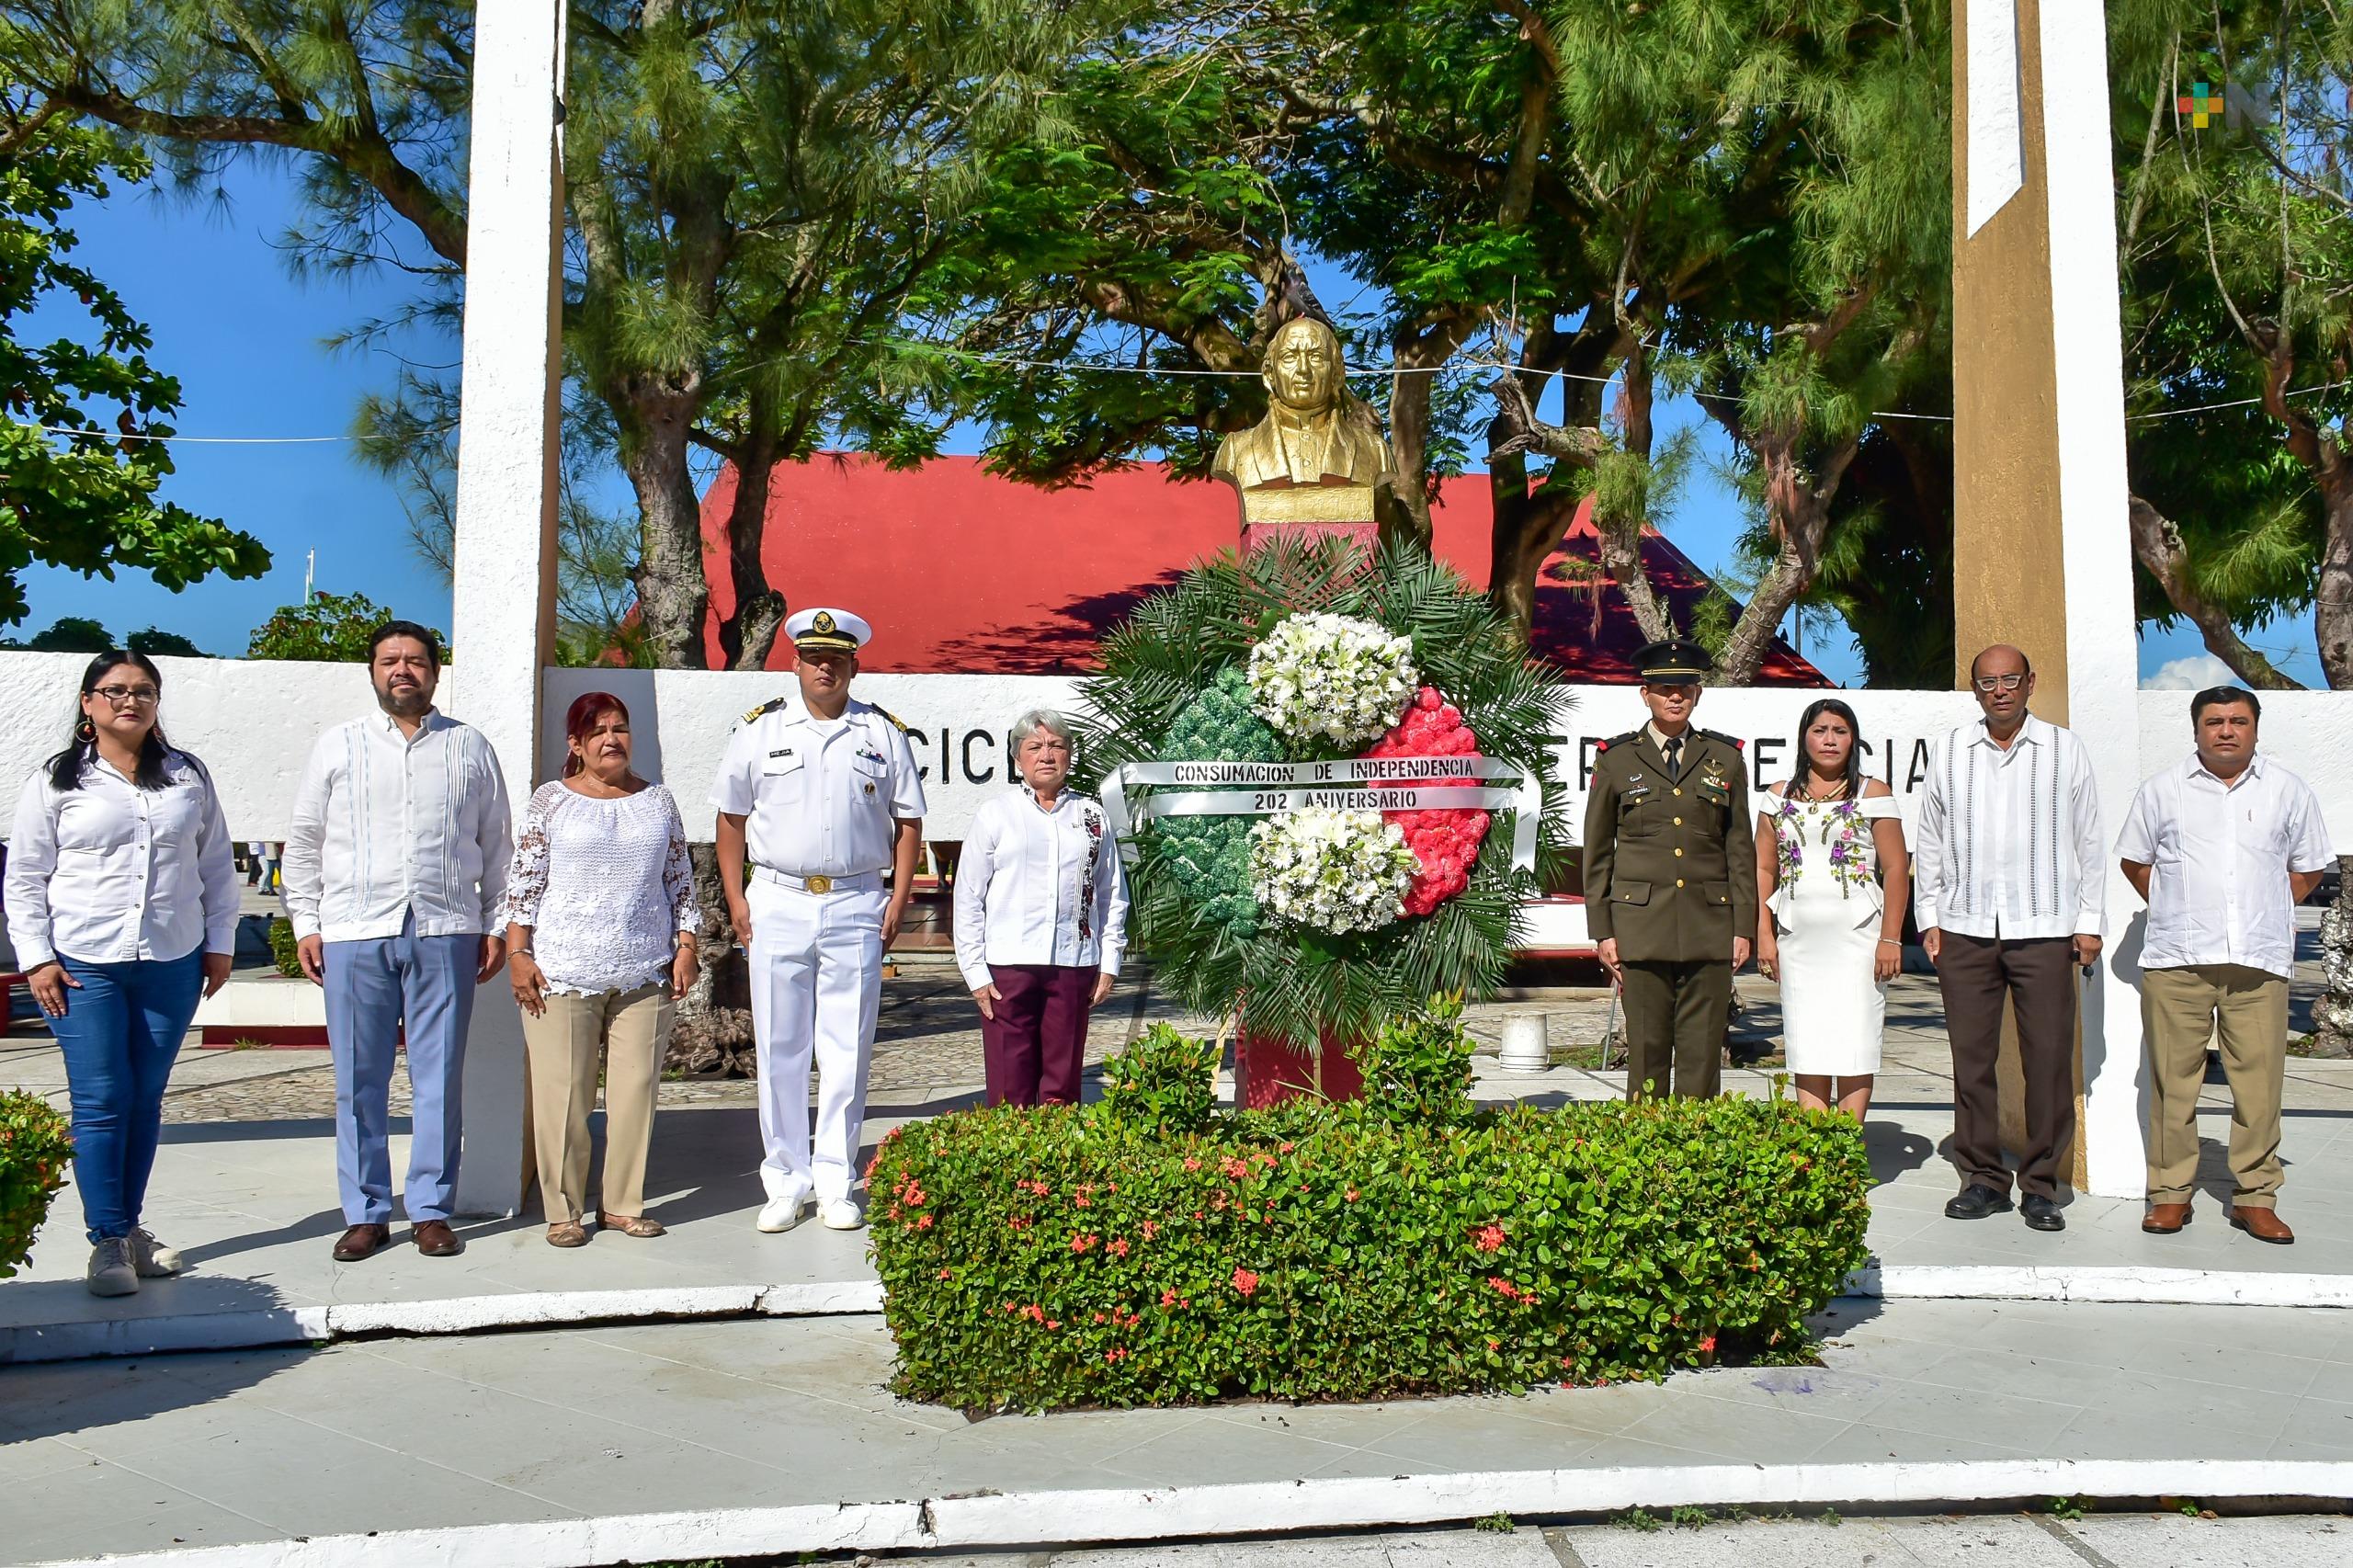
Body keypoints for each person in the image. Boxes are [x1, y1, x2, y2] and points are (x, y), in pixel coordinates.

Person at [6, 652, 236, 1296]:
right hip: (83, 965)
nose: (129, 701)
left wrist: (219, 945)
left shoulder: (187, 776)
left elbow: (215, 864)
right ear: (88, 704)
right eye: (114, 691)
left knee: (144, 1099)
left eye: (143, 691)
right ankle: (106, 1240)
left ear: (157, 703)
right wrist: (37, 957)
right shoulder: (57, 782)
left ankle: (129, 1226)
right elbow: (24, 877)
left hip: (171, 959)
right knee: (101, 1100)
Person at [283, 620, 512, 1263]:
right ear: (373, 671)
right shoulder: (338, 747)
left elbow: (497, 846)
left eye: (415, 660)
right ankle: (367, 1212)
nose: (402, 671)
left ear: (436, 673)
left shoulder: (470, 748)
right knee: (360, 1080)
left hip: (446, 930)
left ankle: (432, 1210)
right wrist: (307, 923)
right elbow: (302, 843)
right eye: (390, 661)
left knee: (439, 1078)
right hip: (356, 932)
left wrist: (494, 924)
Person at [711, 608, 926, 1233]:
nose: (824, 667)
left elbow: (909, 821)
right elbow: (730, 819)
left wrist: (900, 898)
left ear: (854, 664)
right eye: (813, 657)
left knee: (846, 1047)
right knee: (780, 1044)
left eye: (836, 658)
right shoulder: (760, 730)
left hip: (857, 899)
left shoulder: (881, 734)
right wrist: (737, 899)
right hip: (777, 897)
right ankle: (784, 1179)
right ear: (795, 664)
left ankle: (835, 1179)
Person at [2118, 686, 2332, 1244]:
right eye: (2214, 722)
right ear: (2196, 730)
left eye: (2238, 720)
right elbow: (2135, 862)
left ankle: (2256, 1197)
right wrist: (2179, 907)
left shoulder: (2288, 790)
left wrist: (2264, 909)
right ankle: (2169, 1195)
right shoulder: (2162, 791)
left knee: (2260, 1088)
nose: (2227, 731)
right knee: (2172, 1085)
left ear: (2256, 728)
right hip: (2178, 961)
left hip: (2258, 962)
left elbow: (2307, 869)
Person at [1913, 644, 2102, 1233]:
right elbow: (1932, 837)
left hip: (2043, 927)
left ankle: (2042, 1186)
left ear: (2030, 683)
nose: (2000, 690)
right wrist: (1929, 919)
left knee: (2047, 1061)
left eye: (2010, 679)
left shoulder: (2063, 749)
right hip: (1965, 928)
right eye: (1988, 682)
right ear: (1975, 690)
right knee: (1971, 1062)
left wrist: (2089, 921)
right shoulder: (1949, 750)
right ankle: (1983, 1179)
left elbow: (2089, 840)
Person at [504, 692, 699, 1248]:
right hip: (561, 970)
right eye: (598, 731)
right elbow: (524, 883)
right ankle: (563, 1212)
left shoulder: (658, 802)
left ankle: (621, 1205)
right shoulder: (551, 801)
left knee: (635, 1093)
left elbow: (679, 879)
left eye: (620, 728)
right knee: (563, 1096)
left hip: (644, 970)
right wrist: (519, 954)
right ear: (576, 744)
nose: (611, 739)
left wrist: (686, 945)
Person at [1581, 637, 1756, 1099]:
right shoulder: (1616, 759)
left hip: (1709, 927)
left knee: (1702, 1057)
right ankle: (1648, 1154)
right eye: (1663, 687)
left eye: (1684, 686)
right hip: (1640, 927)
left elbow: (1739, 850)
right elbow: (1598, 853)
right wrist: (1603, 931)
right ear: (1645, 693)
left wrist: (1744, 927)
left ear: (1698, 693)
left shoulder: (1726, 758)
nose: (1674, 696)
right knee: (1647, 1052)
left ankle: (1696, 1157)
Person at [954, 710, 1130, 1107]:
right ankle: (1008, 1162)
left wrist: (1109, 961)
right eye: (1035, 747)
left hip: (1072, 963)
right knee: (1008, 1085)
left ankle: (1057, 1162)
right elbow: (968, 897)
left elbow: (1111, 893)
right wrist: (974, 971)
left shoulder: (1091, 816)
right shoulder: (996, 814)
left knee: (1062, 1084)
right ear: (1018, 759)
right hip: (1008, 968)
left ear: (1070, 755)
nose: (1046, 755)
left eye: (1056, 746)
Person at [1754, 698, 1909, 1121]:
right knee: (1808, 1045)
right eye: (1820, 730)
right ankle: (1817, 1158)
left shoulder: (1872, 793)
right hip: (1797, 941)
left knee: (1856, 1044)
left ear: (1853, 739)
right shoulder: (1777, 796)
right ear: (1804, 738)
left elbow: (1897, 869)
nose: (1829, 740)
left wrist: (1890, 939)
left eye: (1840, 731)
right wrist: (1764, 935)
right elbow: (1763, 867)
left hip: (1859, 941)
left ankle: (1846, 1151)